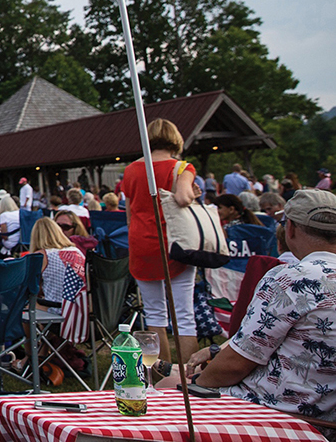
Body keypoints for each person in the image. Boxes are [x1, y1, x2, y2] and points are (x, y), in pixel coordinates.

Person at [185, 189, 336, 427]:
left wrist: (196, 384)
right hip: (326, 419)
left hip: (274, 415)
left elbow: (236, 364)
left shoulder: (291, 278)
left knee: (167, 387)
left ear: (291, 229)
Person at [121, 118, 199, 365]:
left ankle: (160, 374)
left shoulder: (131, 170)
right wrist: (192, 193)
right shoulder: (182, 168)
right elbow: (184, 198)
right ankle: (190, 374)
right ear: (175, 139)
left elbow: (129, 213)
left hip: (141, 244)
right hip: (174, 245)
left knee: (154, 314)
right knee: (184, 315)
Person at [30, 217, 86, 310]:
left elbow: (30, 287)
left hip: (57, 308)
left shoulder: (41, 255)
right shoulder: (76, 251)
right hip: (80, 308)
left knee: (25, 308)